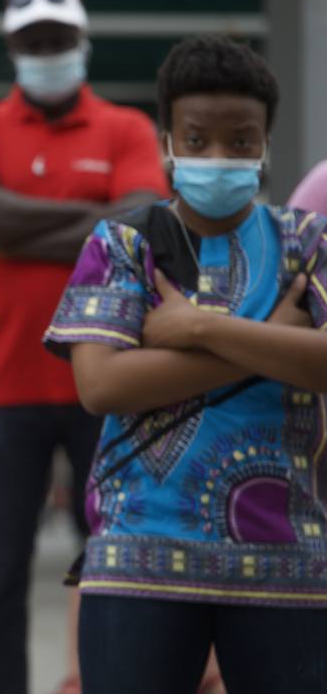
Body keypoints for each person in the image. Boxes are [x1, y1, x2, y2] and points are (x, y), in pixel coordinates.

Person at [44, 35, 327, 694]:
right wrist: (273, 339)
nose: (218, 157)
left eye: (241, 140)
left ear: (266, 145)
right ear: (168, 141)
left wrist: (197, 326)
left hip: (284, 558)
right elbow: (103, 384)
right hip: (139, 553)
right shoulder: (124, 242)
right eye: (197, 141)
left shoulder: (307, 242)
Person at [0, 0, 168, 694]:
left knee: (116, 560)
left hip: (109, 378)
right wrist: (88, 218)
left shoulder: (126, 127)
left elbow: (140, 217)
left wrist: (16, 222)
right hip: (1, 380)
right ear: (13, 49)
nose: (47, 53)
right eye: (34, 42)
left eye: (58, 40)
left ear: (82, 43)